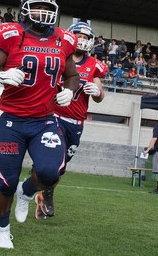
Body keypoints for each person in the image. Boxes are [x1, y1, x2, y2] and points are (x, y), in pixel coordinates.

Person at [0, 0, 79, 250]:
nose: (43, 12)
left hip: (44, 119)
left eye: (47, 8)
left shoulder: (64, 39)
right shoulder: (11, 35)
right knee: (6, 183)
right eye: (38, 7)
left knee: (51, 172)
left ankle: (27, 191)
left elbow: (72, 75)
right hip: (12, 119)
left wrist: (69, 90)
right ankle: (2, 228)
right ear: (25, 10)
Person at [34, 21, 107, 220]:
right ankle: (44, 191)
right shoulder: (60, 56)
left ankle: (44, 193)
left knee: (62, 168)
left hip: (76, 123)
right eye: (79, 36)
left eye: (85, 37)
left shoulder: (94, 65)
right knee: (53, 161)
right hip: (54, 117)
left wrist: (97, 92)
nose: (82, 40)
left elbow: (100, 97)